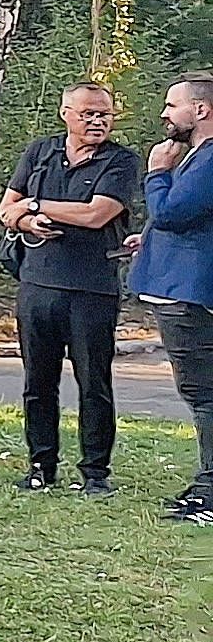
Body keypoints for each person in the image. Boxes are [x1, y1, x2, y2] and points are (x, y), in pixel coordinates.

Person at [0, 80, 143, 495]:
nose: (98, 121)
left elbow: (97, 214)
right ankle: (40, 466)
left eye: (105, 114)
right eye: (88, 114)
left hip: (90, 288)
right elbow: (6, 207)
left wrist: (36, 205)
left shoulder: (120, 161)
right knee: (37, 382)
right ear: (67, 114)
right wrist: (28, 221)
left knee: (93, 383)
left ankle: (95, 473)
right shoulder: (40, 152)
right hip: (37, 284)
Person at [136, 73, 213, 524]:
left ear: (201, 110)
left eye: (173, 104)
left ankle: (209, 493)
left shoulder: (206, 160)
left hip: (187, 291)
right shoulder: (199, 158)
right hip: (184, 282)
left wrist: (156, 173)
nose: (165, 114)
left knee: (203, 394)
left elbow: (172, 214)